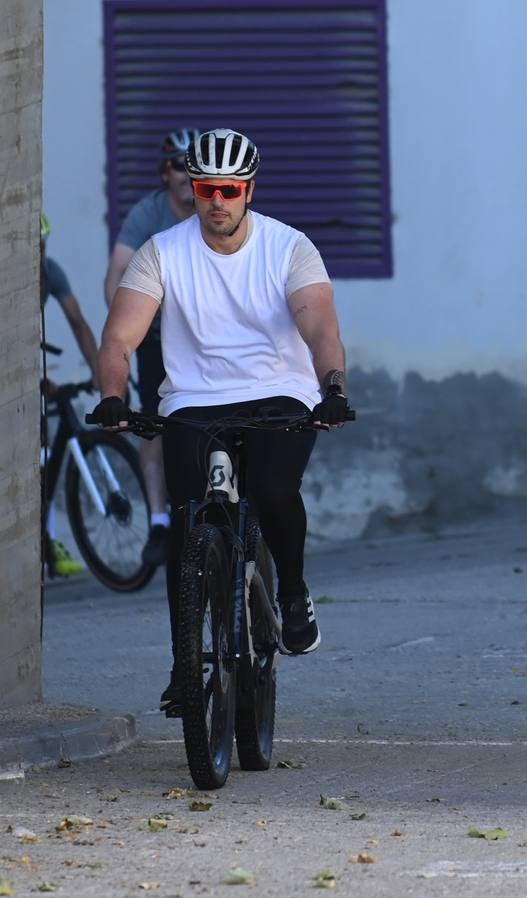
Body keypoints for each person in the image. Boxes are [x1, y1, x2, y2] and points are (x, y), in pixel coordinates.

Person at [91, 128, 351, 713]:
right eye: (206, 188)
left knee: (273, 488)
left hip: (279, 393)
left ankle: (292, 591)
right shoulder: (162, 251)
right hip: (193, 400)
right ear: (193, 188)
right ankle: (185, 664)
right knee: (187, 528)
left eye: (229, 190)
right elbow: (120, 337)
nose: (216, 201)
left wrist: (332, 388)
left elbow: (320, 327)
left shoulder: (289, 247)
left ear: (249, 190)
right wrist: (113, 395)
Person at [102, 127, 205, 569]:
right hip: (159, 338)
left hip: (209, 337)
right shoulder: (148, 214)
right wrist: (126, 327)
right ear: (165, 173)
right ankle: (160, 521)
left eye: (193, 167)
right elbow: (116, 275)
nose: (186, 176)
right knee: (155, 424)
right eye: (178, 166)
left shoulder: (215, 207)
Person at [39, 213, 102, 578]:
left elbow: (77, 322)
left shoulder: (50, 272)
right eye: (34, 244)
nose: (38, 251)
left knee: (43, 454)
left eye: (43, 244)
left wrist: (98, 370)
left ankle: (47, 540)